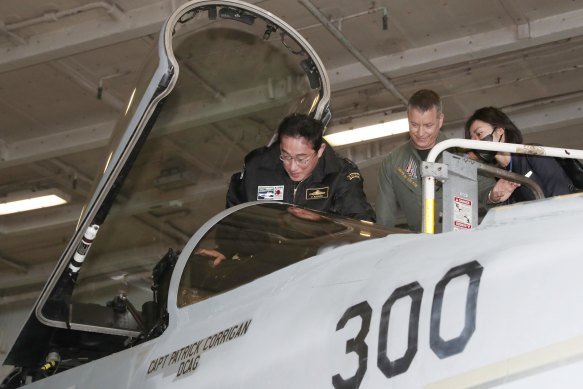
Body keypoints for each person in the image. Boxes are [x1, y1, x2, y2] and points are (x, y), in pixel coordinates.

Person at [376, 89, 493, 232]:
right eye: (414, 125)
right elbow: (383, 221)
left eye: (428, 126)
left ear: (440, 120)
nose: (420, 133)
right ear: (407, 119)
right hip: (420, 246)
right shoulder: (392, 163)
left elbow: (489, 192)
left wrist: (494, 195)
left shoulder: (460, 154)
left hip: (461, 244)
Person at [226, 113, 376, 222]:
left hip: (319, 257)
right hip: (266, 256)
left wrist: (323, 221)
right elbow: (235, 216)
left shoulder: (340, 174)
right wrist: (224, 250)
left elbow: (362, 221)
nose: (292, 166)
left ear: (320, 150)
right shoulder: (257, 168)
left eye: (301, 159)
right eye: (285, 156)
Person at [465, 106, 574, 203]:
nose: (476, 142)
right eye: (472, 139)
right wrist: (494, 198)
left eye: (479, 134)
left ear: (499, 130)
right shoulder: (495, 175)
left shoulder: (532, 153)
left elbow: (560, 191)